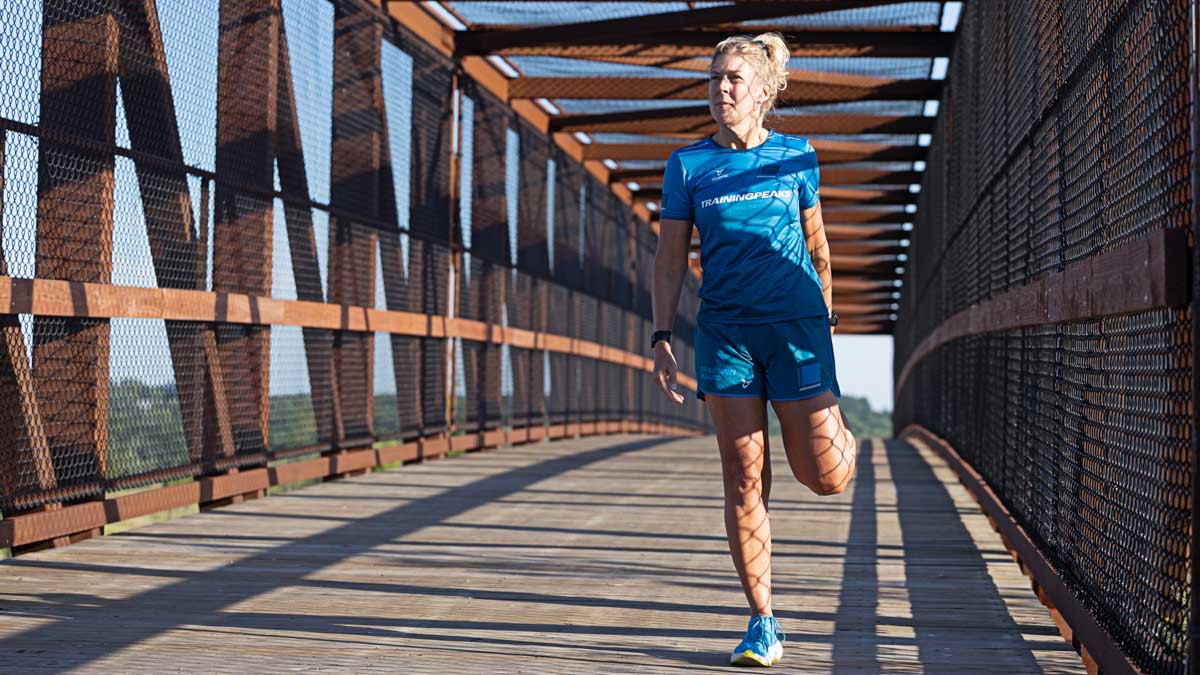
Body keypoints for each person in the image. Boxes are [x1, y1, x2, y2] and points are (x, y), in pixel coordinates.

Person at [650, 32, 858, 667]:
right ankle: (763, 621)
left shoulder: (797, 156)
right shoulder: (688, 166)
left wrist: (825, 313)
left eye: (734, 80)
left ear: (764, 92)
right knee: (744, 476)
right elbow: (668, 262)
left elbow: (818, 246)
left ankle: (842, 431)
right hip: (727, 335)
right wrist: (662, 335)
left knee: (824, 477)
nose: (721, 90)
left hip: (795, 330)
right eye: (714, 80)